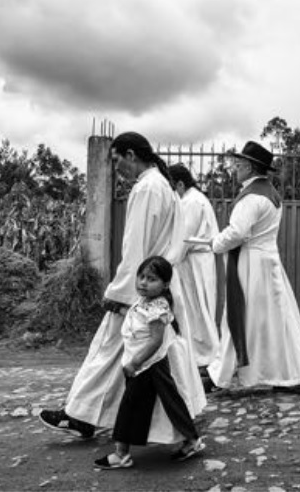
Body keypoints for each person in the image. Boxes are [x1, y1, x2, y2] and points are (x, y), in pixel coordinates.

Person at [39, 131, 206, 438]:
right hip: (158, 284)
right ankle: (177, 414)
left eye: (117, 160)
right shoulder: (164, 186)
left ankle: (81, 416)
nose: (116, 169)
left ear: (131, 155)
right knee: (151, 354)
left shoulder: (147, 188)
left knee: (109, 351)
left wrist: (122, 292)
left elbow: (135, 247)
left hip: (141, 289)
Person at [206, 141, 300, 394]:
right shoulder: (270, 193)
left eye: (238, 165)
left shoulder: (251, 197)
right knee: (275, 318)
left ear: (249, 167)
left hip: (251, 263)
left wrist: (215, 243)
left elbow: (238, 232)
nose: (235, 169)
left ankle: (224, 374)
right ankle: (291, 374)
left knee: (241, 316)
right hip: (267, 260)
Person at [95, 256, 204, 470]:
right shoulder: (145, 302)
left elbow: (155, 340)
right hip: (146, 364)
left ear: (165, 284)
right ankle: (192, 440)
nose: (144, 282)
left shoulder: (158, 307)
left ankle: (121, 454)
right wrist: (117, 309)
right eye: (142, 277)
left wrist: (135, 363)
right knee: (169, 400)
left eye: (152, 279)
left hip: (148, 364)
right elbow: (138, 317)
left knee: (131, 404)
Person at [168, 163, 221, 368]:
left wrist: (169, 261)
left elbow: (184, 237)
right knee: (197, 308)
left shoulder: (191, 202)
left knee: (197, 309)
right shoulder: (197, 199)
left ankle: (206, 357)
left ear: (180, 184)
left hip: (194, 260)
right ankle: (201, 355)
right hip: (196, 260)